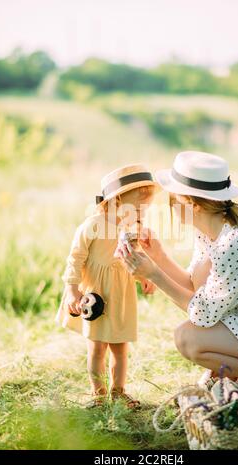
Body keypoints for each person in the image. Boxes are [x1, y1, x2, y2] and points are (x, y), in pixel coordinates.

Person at [119, 150, 238, 411]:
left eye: (172, 198)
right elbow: (196, 287)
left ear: (192, 204)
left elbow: (202, 314)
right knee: (195, 306)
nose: (168, 204)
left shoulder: (236, 243)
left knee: (188, 338)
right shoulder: (214, 229)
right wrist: (158, 256)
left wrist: (153, 274)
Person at [56, 164, 157, 408]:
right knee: (97, 348)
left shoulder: (131, 230)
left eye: (146, 207)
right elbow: (75, 257)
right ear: (119, 199)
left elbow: (130, 259)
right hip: (97, 294)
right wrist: (72, 288)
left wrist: (143, 276)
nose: (143, 211)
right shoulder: (92, 225)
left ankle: (118, 391)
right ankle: (98, 394)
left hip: (121, 294)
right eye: (139, 206)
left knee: (121, 348)